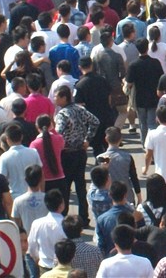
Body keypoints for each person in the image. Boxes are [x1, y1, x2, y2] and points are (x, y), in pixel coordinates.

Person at [54, 84, 99, 226]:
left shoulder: (62, 115)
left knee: (66, 187)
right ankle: (84, 217)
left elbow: (58, 133)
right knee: (80, 186)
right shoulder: (80, 109)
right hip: (80, 152)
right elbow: (95, 122)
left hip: (67, 154)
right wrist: (87, 140)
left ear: (64, 98)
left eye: (56, 96)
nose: (54, 99)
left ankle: (64, 216)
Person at [28, 189, 67, 275]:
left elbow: (32, 247)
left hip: (44, 266)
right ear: (61, 205)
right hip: (63, 268)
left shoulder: (37, 223)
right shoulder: (66, 225)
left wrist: (37, 259)